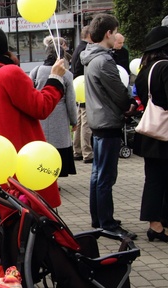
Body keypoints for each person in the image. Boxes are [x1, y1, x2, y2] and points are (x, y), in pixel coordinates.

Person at [0, 25, 65, 252]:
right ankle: (20, 264)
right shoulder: (10, 72)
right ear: (5, 48)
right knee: (22, 210)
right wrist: (55, 79)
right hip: (19, 158)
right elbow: (41, 107)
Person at [80, 14, 137, 238]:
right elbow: (119, 93)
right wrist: (130, 104)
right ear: (108, 33)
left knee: (98, 175)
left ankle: (100, 219)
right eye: (115, 32)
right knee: (105, 177)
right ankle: (107, 223)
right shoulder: (103, 60)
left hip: (99, 121)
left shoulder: (92, 58)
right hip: (107, 122)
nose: (116, 38)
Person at [133, 26, 168, 242]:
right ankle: (158, 224)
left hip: (151, 133)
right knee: (161, 181)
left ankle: (156, 224)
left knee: (154, 179)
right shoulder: (165, 67)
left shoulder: (144, 70)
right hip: (164, 135)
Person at [30, 41, 77, 178]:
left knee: (42, 149)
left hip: (40, 116)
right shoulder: (67, 75)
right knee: (58, 150)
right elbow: (71, 101)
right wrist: (74, 121)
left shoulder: (36, 71)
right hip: (60, 118)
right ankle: (54, 177)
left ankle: (41, 176)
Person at [71, 25, 94, 163]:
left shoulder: (78, 48)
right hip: (83, 87)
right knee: (85, 121)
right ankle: (87, 152)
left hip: (78, 87)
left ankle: (77, 150)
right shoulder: (86, 49)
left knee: (79, 121)